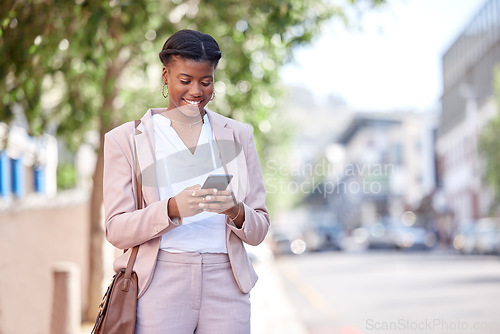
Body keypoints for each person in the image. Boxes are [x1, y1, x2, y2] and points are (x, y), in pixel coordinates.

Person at [102, 29, 270, 334]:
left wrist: (237, 211)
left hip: (227, 284)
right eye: (185, 81)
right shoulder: (125, 140)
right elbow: (116, 230)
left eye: (206, 82)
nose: (196, 91)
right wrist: (171, 209)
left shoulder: (238, 135)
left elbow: (259, 227)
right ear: (165, 76)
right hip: (160, 281)